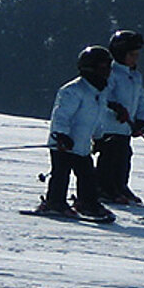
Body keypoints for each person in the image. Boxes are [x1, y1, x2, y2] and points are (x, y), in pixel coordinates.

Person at [35, 46, 117, 222]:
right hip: (64, 144)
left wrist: (99, 137)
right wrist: (62, 135)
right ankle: (55, 202)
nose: (108, 72)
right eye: (103, 68)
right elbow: (61, 115)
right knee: (61, 173)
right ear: (90, 69)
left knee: (88, 175)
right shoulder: (73, 90)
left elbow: (97, 118)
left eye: (109, 68)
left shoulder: (100, 92)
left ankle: (88, 203)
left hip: (82, 145)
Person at [95, 28, 144, 205]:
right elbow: (101, 96)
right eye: (132, 54)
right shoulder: (110, 73)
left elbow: (140, 99)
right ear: (119, 54)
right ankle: (104, 188)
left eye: (137, 55)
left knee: (124, 155)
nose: (135, 58)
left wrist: (141, 119)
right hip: (108, 125)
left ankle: (120, 186)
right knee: (109, 156)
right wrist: (115, 107)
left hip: (126, 127)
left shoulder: (135, 76)